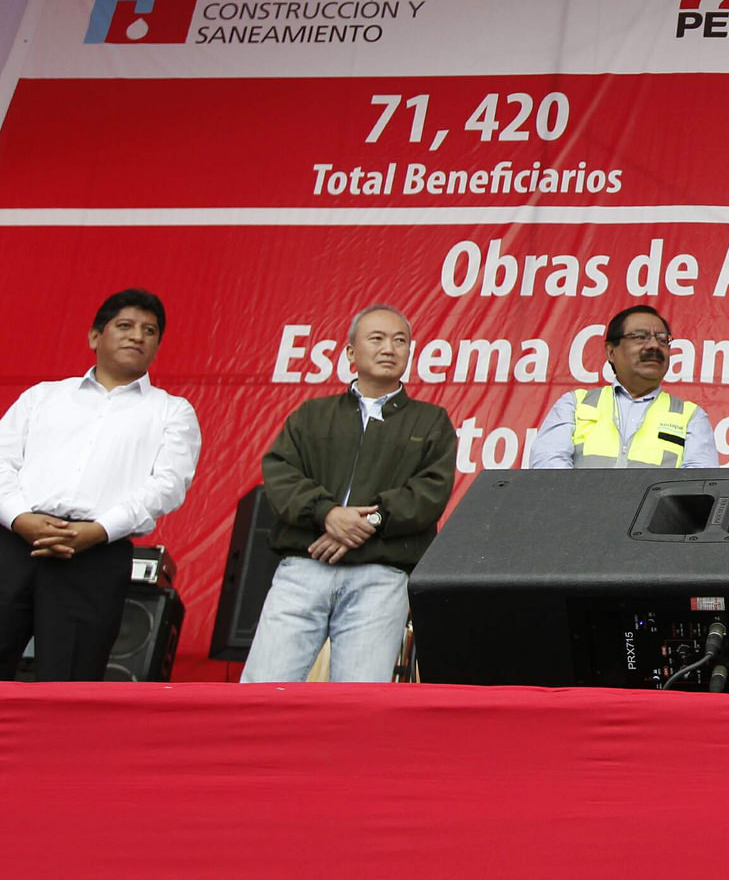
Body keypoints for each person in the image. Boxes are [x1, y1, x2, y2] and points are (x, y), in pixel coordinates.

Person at [242, 305, 457, 682]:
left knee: (358, 705)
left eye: (400, 340)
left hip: (380, 577)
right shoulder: (313, 415)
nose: (389, 348)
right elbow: (281, 473)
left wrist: (370, 520)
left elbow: (429, 491)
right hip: (303, 571)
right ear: (350, 353)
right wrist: (326, 514)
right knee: (262, 691)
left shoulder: (431, 421)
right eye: (376, 338)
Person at [0, 289, 201, 681]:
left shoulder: (171, 411)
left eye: (149, 330)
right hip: (13, 543)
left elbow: (167, 485)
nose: (136, 336)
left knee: (70, 678)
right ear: (96, 337)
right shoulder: (43, 397)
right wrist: (21, 519)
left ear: (157, 346)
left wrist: (98, 530)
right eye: (124, 326)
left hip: (95, 554)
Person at [531, 305, 715, 469]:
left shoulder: (691, 416)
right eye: (640, 337)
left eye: (662, 339)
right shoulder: (575, 405)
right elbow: (548, 468)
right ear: (611, 352)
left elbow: (697, 486)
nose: (653, 345)